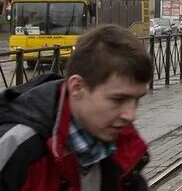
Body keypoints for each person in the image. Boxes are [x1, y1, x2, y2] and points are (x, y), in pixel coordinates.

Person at [0, 24, 154, 190]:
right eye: (118, 99)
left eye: (137, 100)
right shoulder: (16, 148)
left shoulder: (125, 145)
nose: (130, 115)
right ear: (77, 87)